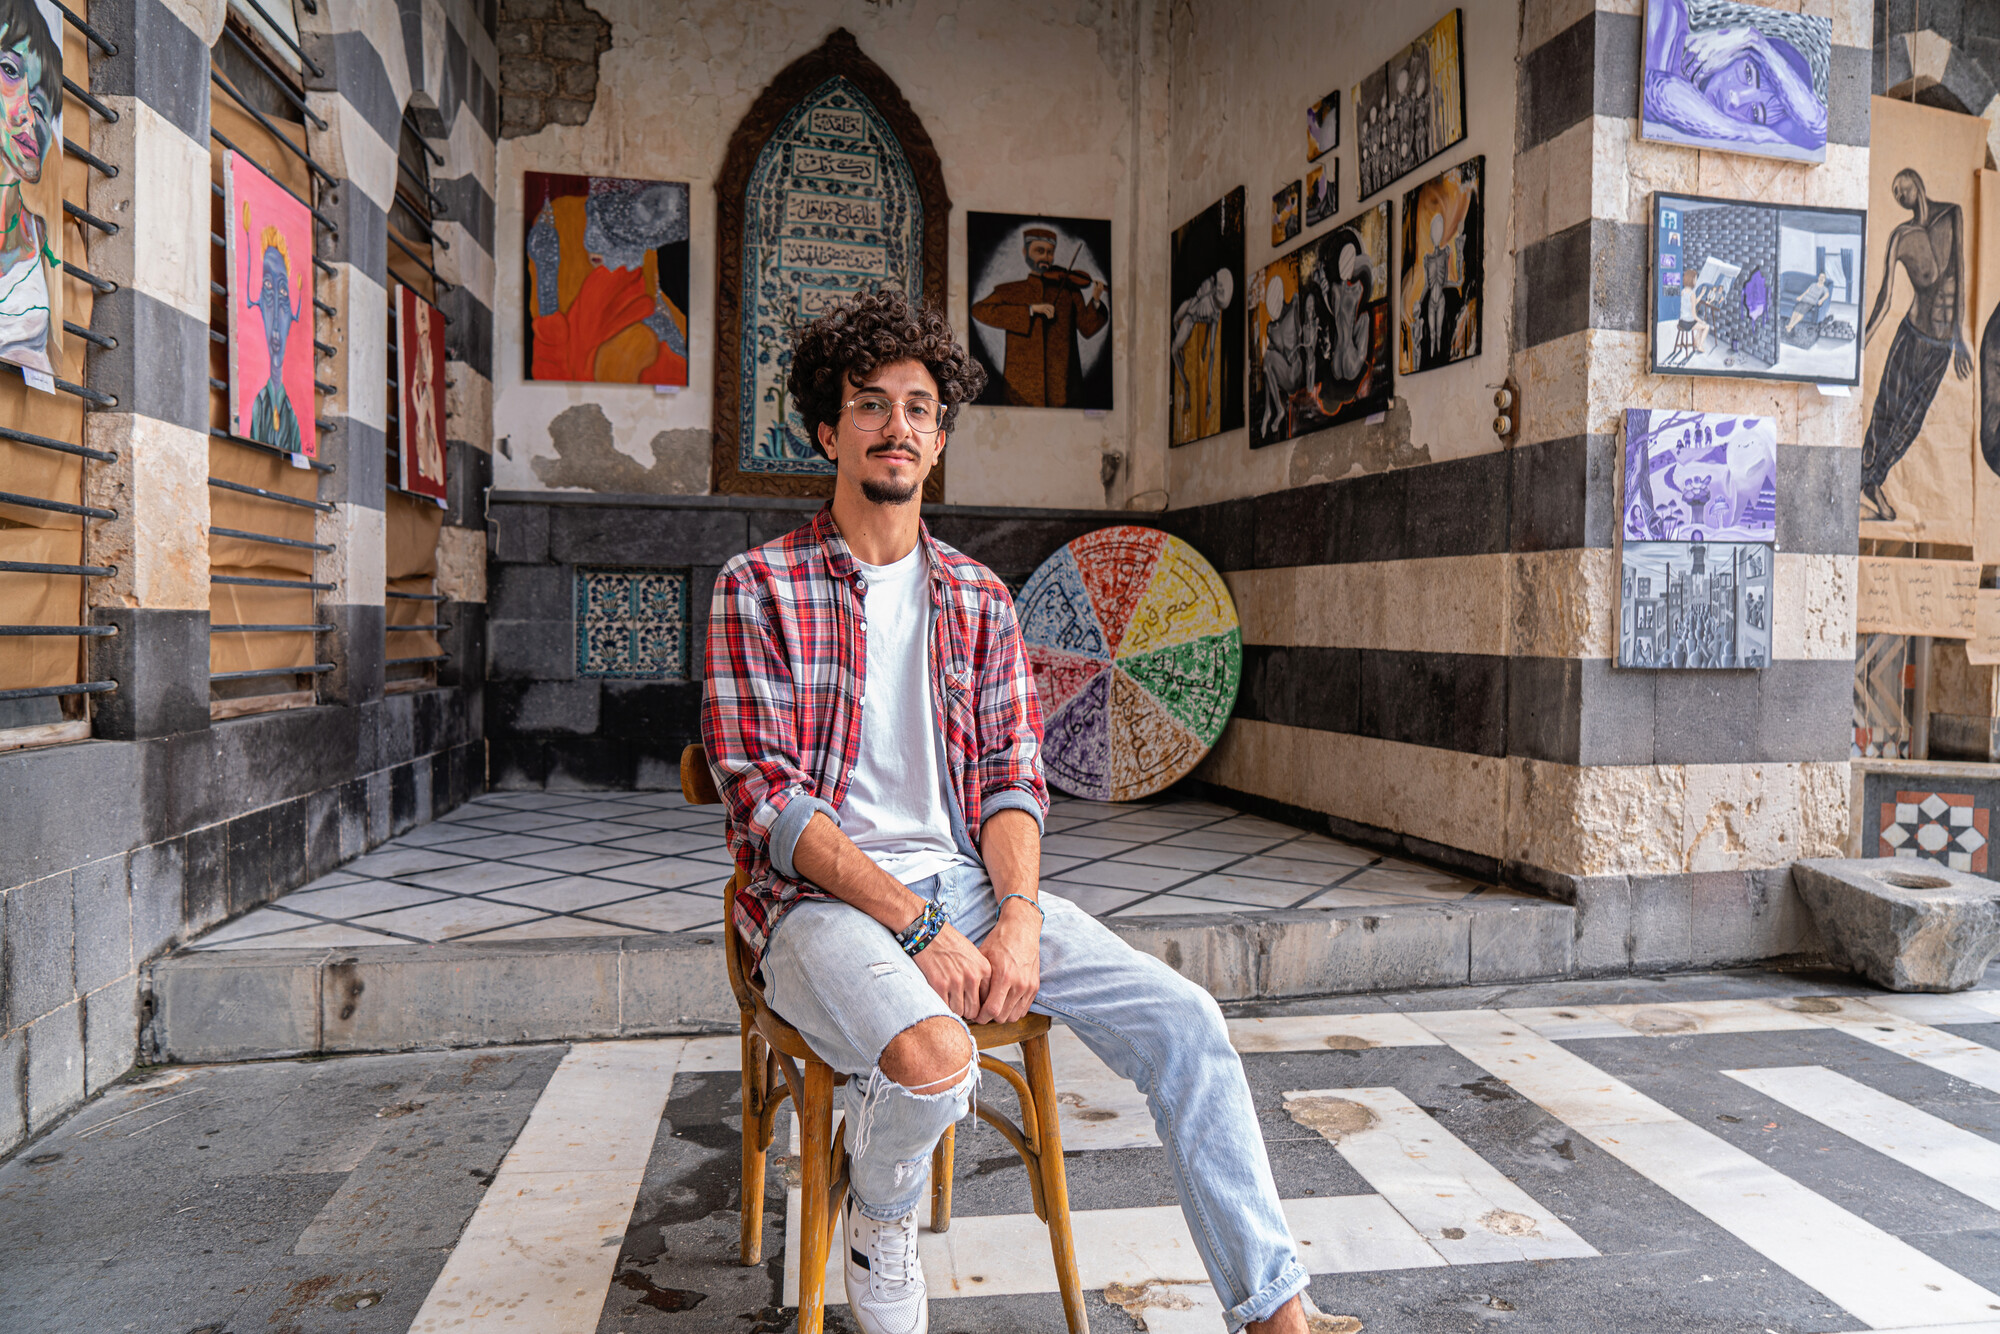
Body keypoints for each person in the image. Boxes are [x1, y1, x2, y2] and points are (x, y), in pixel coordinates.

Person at [702, 289, 1312, 1334]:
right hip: (814, 905)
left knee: (1188, 1023)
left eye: (918, 407)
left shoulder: (980, 599)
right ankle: (880, 1212)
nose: (897, 425)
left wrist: (1017, 915)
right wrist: (917, 925)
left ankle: (1274, 1312)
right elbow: (767, 799)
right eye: (869, 403)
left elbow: (1011, 777)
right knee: (937, 1062)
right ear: (825, 429)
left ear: (938, 440)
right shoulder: (757, 584)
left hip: (974, 891)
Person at [1861, 168, 1972, 522]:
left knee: (1910, 422)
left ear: (1916, 183)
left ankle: (1872, 480)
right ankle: (1863, 477)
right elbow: (1885, 298)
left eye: (1900, 187)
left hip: (1939, 349)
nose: (1897, 194)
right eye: (1893, 193)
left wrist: (1960, 340)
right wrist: (1861, 344)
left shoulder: (1952, 214)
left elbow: (1962, 276)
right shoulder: (1900, 237)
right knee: (1885, 412)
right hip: (1909, 339)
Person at [1643, 0, 1828, 157]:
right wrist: (1752, 38)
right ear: (1733, 47)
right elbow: (1657, 90)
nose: (1735, 100)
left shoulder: (1706, 125)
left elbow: (1820, 130)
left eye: (1755, 113)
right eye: (1748, 74)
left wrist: (1760, 45)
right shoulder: (1668, 13)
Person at [971, 225, 1108, 407]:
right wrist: (1030, 310)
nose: (1046, 257)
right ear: (1025, 252)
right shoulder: (1012, 290)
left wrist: (1096, 299)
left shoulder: (1069, 291)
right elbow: (980, 310)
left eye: (1050, 252)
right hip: (1020, 384)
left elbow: (1087, 327)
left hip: (1062, 384)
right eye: (1039, 251)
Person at [0, 0, 60, 376]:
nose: (26, 113)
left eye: (41, 105)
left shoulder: (42, 238)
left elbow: (52, 362)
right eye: (8, 70)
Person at [240, 206, 306, 454]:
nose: (277, 310)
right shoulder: (256, 406)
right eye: (267, 287)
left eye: (283, 292)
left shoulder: (291, 417)